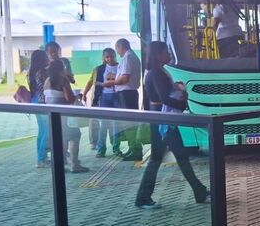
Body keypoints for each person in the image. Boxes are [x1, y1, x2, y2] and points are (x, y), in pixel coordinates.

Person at [134, 41, 209, 210]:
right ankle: (143, 198)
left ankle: (200, 191)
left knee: (179, 156)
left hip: (164, 121)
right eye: (166, 52)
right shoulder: (156, 73)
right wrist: (182, 97)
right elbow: (166, 98)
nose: (169, 54)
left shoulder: (157, 72)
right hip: (163, 122)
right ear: (158, 54)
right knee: (160, 158)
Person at [43, 60, 88, 173]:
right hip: (65, 114)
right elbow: (69, 98)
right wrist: (77, 96)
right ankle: (74, 164)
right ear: (61, 69)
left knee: (60, 139)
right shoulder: (63, 80)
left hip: (52, 115)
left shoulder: (47, 81)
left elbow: (45, 98)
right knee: (74, 136)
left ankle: (60, 165)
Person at [103, 38, 143, 161]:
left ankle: (136, 150)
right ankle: (132, 148)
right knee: (128, 123)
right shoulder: (130, 56)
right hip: (127, 93)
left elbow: (124, 79)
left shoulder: (128, 57)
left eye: (117, 49)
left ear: (121, 47)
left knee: (129, 123)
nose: (117, 52)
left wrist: (110, 83)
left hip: (127, 94)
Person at [82, 48, 121, 157]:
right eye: (107, 56)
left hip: (116, 97)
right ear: (104, 58)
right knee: (103, 124)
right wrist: (85, 94)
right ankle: (101, 148)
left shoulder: (120, 67)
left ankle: (116, 147)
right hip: (103, 97)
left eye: (112, 56)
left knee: (115, 124)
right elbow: (90, 82)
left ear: (115, 56)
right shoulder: (98, 69)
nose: (110, 58)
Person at [28, 49, 51, 168]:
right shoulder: (42, 72)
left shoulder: (31, 72)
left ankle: (40, 157)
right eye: (46, 56)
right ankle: (41, 159)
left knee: (42, 130)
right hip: (42, 102)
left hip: (35, 101)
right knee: (47, 130)